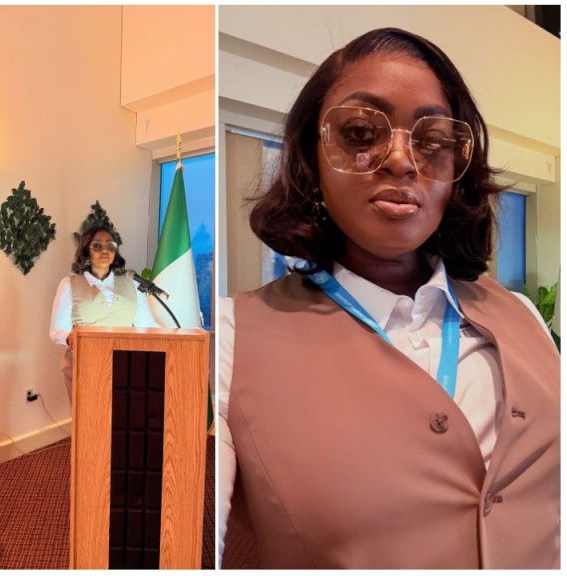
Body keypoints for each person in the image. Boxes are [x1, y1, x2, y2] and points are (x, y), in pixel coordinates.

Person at [219, 28, 558, 568]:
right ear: (312, 162)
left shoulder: (519, 315)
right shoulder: (236, 336)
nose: (401, 161)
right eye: (359, 133)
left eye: (433, 142)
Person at [49, 224, 161, 399]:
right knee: (91, 423)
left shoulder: (132, 284)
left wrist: (176, 335)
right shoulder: (69, 284)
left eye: (110, 245)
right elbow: (57, 331)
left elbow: (147, 325)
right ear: (86, 250)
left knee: (122, 422)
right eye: (97, 245)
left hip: (125, 367)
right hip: (84, 367)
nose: (104, 250)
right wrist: (70, 337)